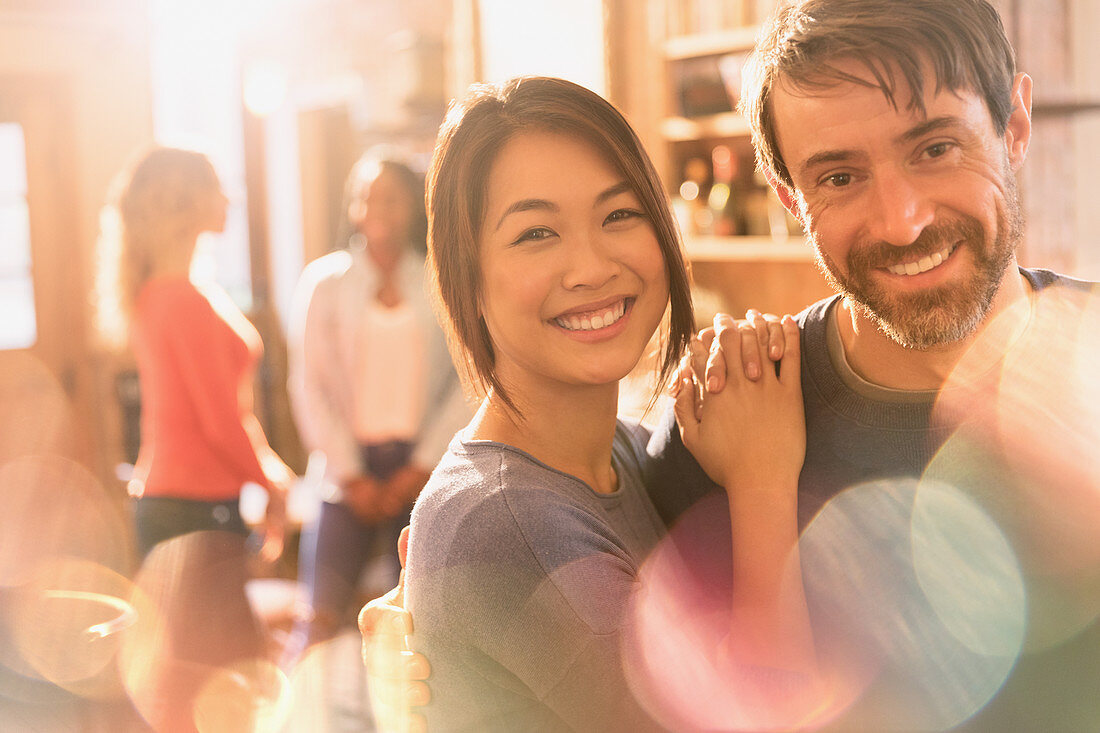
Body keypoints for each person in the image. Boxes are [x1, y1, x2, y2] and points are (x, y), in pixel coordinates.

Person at [364, 1, 1100, 730]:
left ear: (1015, 126)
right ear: (790, 198)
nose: (902, 219)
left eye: (935, 147)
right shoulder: (723, 427)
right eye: (840, 177)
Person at [397, 75, 816, 731]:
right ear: (466, 274)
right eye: (537, 233)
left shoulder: (615, 449)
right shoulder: (502, 517)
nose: (590, 267)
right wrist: (764, 480)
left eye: (620, 214)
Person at [96, 146, 293, 731]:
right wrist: (275, 483)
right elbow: (218, 421)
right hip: (192, 511)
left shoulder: (166, 290)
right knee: (221, 682)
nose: (229, 198)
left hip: (180, 506)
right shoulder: (179, 298)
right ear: (184, 204)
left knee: (202, 680)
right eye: (216, 187)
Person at [285, 149, 469, 659]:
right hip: (346, 472)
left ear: (412, 205)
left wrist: (422, 465)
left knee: (418, 627)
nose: (378, 206)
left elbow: (465, 381)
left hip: (422, 470)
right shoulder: (325, 283)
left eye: (391, 196)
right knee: (318, 618)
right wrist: (350, 474)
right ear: (354, 208)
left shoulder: (439, 281)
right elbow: (308, 385)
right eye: (368, 196)